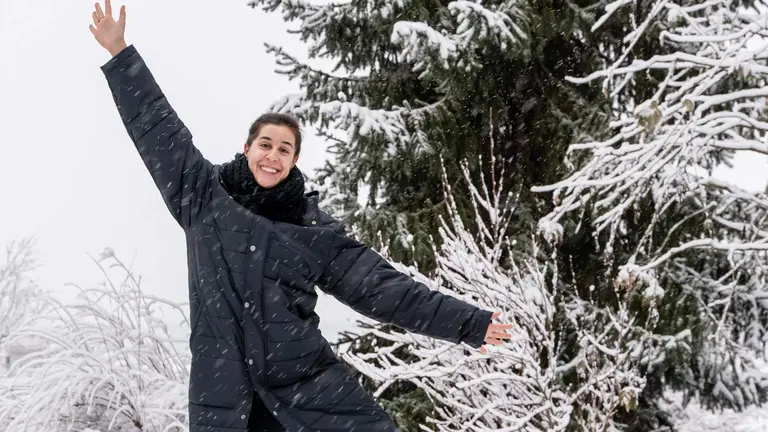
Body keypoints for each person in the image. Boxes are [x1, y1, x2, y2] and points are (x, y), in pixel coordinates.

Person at [89, 1, 513, 431]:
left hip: (310, 390)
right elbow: (158, 130)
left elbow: (387, 291)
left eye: (284, 149)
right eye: (266, 145)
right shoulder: (202, 198)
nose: (273, 156)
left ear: (294, 161)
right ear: (247, 149)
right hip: (223, 396)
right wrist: (121, 53)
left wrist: (468, 323)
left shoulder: (315, 232)